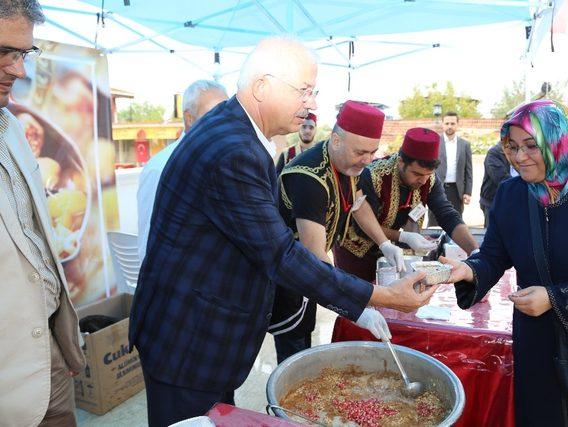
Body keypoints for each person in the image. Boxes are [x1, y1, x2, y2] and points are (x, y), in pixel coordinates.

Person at [129, 36, 434, 427]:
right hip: (189, 343)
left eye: (314, 92)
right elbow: (282, 255)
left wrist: (392, 244)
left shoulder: (239, 133)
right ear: (261, 86)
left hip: (203, 336)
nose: (312, 105)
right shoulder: (234, 151)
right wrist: (377, 297)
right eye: (304, 92)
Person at [442, 99, 568, 427]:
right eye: (512, 146)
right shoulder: (511, 194)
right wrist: (468, 270)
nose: (519, 157)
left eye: (531, 146)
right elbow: (493, 255)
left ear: (557, 140)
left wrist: (554, 298)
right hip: (538, 342)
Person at [0, 1, 85, 425]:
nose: (18, 70)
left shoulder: (10, 126)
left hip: (46, 350)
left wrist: (57, 335)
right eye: (3, 52)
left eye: (22, 54)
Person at [272, 100, 406, 363]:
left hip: (312, 276)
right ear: (335, 140)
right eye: (361, 153)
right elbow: (315, 257)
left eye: (372, 152)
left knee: (305, 341)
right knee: (293, 352)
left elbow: (358, 203)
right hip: (288, 276)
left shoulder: (347, 162)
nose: (367, 161)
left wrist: (385, 243)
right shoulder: (309, 177)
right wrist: (355, 307)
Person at [333, 127, 479, 282]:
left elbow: (447, 215)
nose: (423, 181)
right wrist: (404, 236)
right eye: (416, 174)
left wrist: (475, 252)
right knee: (360, 299)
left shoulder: (429, 179)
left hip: (391, 253)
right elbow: (360, 225)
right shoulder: (374, 175)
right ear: (401, 161)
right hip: (356, 251)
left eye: (427, 174)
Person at [137, 80, 228, 261]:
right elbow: (148, 239)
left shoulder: (223, 161)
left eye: (225, 115)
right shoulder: (161, 167)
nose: (222, 123)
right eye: (213, 115)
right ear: (189, 118)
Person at [429, 111, 472, 225]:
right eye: (447, 123)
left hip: (456, 191)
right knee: (434, 222)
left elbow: (468, 171)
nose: (449, 126)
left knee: (455, 223)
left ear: (457, 124)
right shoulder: (435, 143)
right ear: (442, 124)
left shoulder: (465, 145)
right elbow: (428, 167)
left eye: (452, 123)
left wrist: (467, 192)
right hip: (436, 188)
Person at [479, 142, 512, 228]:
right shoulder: (494, 153)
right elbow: (501, 178)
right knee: (493, 238)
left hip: (514, 203)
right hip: (493, 203)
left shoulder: (522, 151)